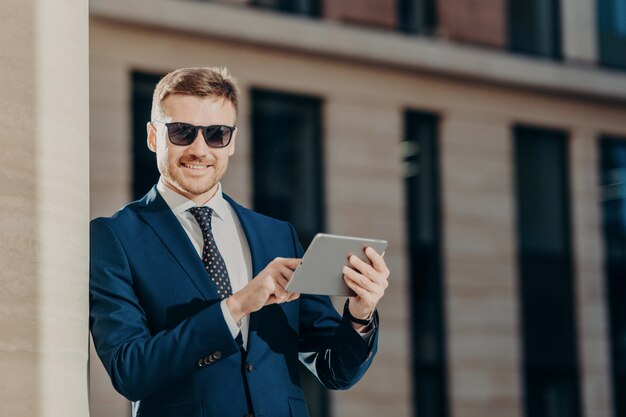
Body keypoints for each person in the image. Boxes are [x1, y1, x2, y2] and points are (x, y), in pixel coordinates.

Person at [89, 67, 390, 417]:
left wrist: (360, 313)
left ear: (231, 141)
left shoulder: (277, 235)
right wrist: (236, 306)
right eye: (182, 132)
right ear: (154, 137)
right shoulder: (116, 237)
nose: (199, 150)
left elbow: (334, 370)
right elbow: (130, 371)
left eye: (216, 134)